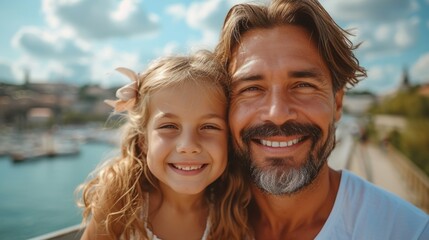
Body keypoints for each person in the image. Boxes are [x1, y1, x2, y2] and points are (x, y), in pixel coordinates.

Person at [215, 0, 429, 239]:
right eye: (252, 88)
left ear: (337, 103)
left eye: (303, 85)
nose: (277, 113)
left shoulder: (408, 232)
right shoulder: (193, 226)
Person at [77, 50, 250, 239]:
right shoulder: (120, 201)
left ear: (228, 140)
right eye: (169, 126)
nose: (188, 145)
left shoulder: (237, 206)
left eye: (209, 126)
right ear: (144, 141)